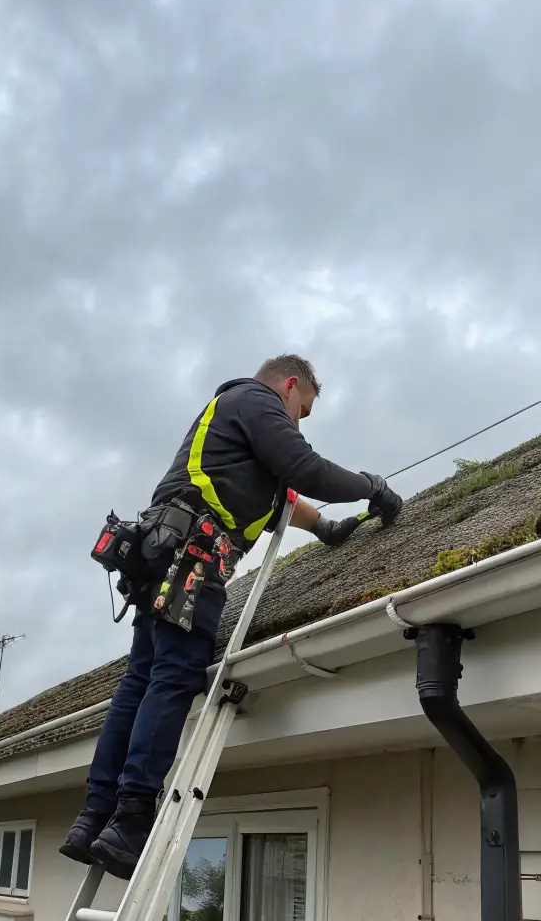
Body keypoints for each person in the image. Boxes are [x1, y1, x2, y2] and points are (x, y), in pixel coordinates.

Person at [59, 354, 403, 879]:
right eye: (303, 410)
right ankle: (130, 820)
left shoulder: (232, 422)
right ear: (290, 386)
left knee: (141, 680)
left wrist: (326, 528)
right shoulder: (256, 400)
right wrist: (372, 485)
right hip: (193, 560)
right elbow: (304, 469)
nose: (299, 421)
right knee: (172, 678)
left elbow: (286, 496)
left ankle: (93, 817)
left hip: (162, 552)